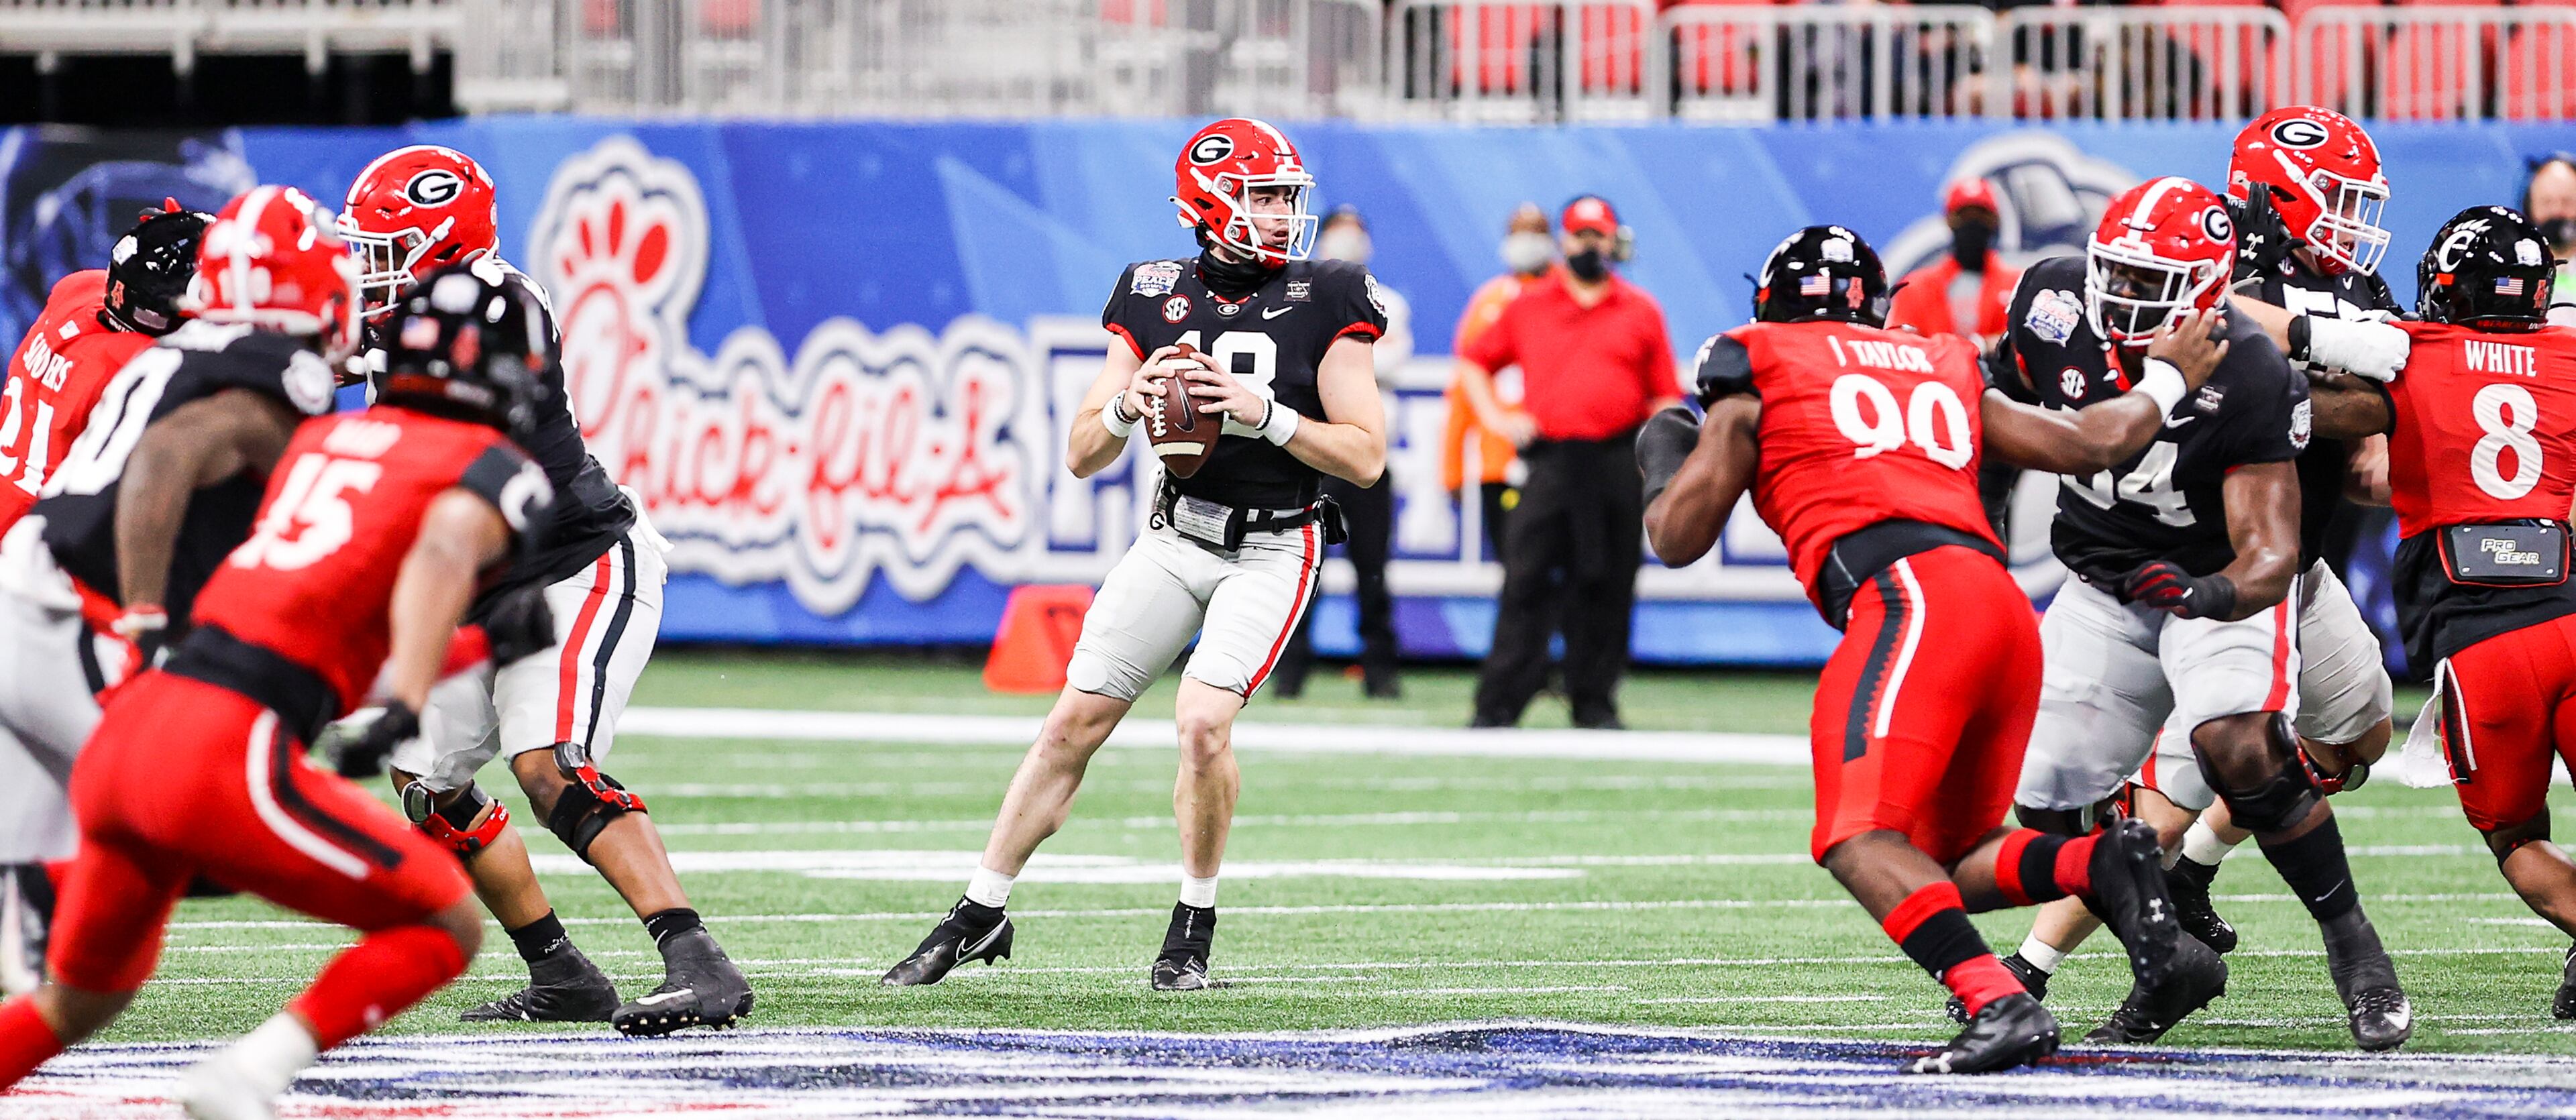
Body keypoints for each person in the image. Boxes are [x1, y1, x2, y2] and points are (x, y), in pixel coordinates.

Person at [1643, 224, 2216, 1074]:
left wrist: (1663, 460)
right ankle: (2103, 858)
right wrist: (2168, 373)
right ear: (1874, 308)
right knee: (1945, 855)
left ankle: (1998, 999)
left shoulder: (1759, 359)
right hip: (2002, 612)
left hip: (1911, 602)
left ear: (1769, 304)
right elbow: (2096, 443)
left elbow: (1678, 536)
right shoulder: (1941, 360)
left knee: (1856, 836)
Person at [0, 264, 559, 1120]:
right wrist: (409, 701)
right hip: (219, 745)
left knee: (78, 998)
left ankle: (44, 897)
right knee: (443, 922)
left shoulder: (323, 443)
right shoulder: (489, 465)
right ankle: (247, 1076)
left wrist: (473, 646)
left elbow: (316, 648)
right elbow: (445, 544)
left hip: (134, 726)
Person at [881, 118, 1386, 993]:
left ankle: (1190, 930)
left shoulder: (1331, 292)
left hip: (1274, 545)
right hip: (1175, 532)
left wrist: (1263, 413)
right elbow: (1082, 449)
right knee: (1072, 722)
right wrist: (1128, 407)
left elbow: (1367, 456)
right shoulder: (1153, 291)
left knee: (1200, 721)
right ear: (1209, 203)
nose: (1278, 214)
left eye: (1283, 197)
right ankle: (979, 907)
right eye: (1261, 196)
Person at [1996, 107, 2401, 1035]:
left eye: (2355, 201)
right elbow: (2274, 338)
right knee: (2187, 769)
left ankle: (2189, 879)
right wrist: (2322, 343)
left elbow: (2375, 424)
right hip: (2146, 571)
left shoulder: (2305, 319)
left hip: (2278, 574)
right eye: (2334, 197)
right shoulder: (2213, 290)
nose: (2349, 220)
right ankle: (2044, 959)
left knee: (2357, 739)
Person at [335, 144, 750, 1035]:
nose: (368, 273)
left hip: (577, 561)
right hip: (480, 579)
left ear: (441, 244)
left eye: (385, 250)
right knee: (424, 779)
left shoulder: (500, 309)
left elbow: (433, 445)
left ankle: (697, 958)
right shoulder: (415, 311)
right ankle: (561, 971)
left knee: (548, 763)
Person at [2303, 206, 2576, 1019]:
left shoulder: (2410, 355)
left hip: (2481, 646)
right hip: (2569, 611)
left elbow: (2326, 425)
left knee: (2517, 839)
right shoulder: (2568, 354)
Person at [0, 202, 209, 994]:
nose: (150, 315)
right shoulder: (135, 371)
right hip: (37, 575)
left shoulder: (79, 289)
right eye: (148, 301)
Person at [1458, 194, 1675, 730]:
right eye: (1580, 236)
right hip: (1552, 462)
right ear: (1564, 240)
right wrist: (1498, 420)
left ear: (1613, 241)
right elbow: (1474, 363)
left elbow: (1666, 396)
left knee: (1608, 582)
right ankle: (1500, 703)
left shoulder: (1640, 309)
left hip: (1616, 458)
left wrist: (1658, 459)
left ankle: (1594, 700)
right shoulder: (1530, 305)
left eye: (1598, 236)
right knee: (1525, 578)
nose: (1588, 246)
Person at [1275, 205, 1408, 699]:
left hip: (1369, 458)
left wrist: (1334, 365)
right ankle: (1290, 673)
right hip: (1316, 453)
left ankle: (1381, 671)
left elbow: (1392, 362)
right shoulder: (1302, 302)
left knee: (1373, 569)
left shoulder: (1385, 299)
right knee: (1304, 566)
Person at [1442, 203, 1552, 562]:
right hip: (1497, 460)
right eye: (1519, 232)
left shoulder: (1568, 299)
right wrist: (1453, 468)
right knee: (1514, 573)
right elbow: (1464, 388)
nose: (1526, 241)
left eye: (1535, 232)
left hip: (1558, 457)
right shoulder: (1489, 302)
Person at [1885, 177, 2021, 348]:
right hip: (1933, 373)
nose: (1973, 225)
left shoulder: (2018, 285)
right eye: (1963, 216)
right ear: (1949, 220)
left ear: (1995, 221)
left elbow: (2023, 343)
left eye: (1982, 216)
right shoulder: (1915, 287)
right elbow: (1900, 343)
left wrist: (1984, 346)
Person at [2525, 154, 2576, 324]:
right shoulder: (2513, 271)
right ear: (2529, 207)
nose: (2557, 212)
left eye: (2567, 202)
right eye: (2546, 202)